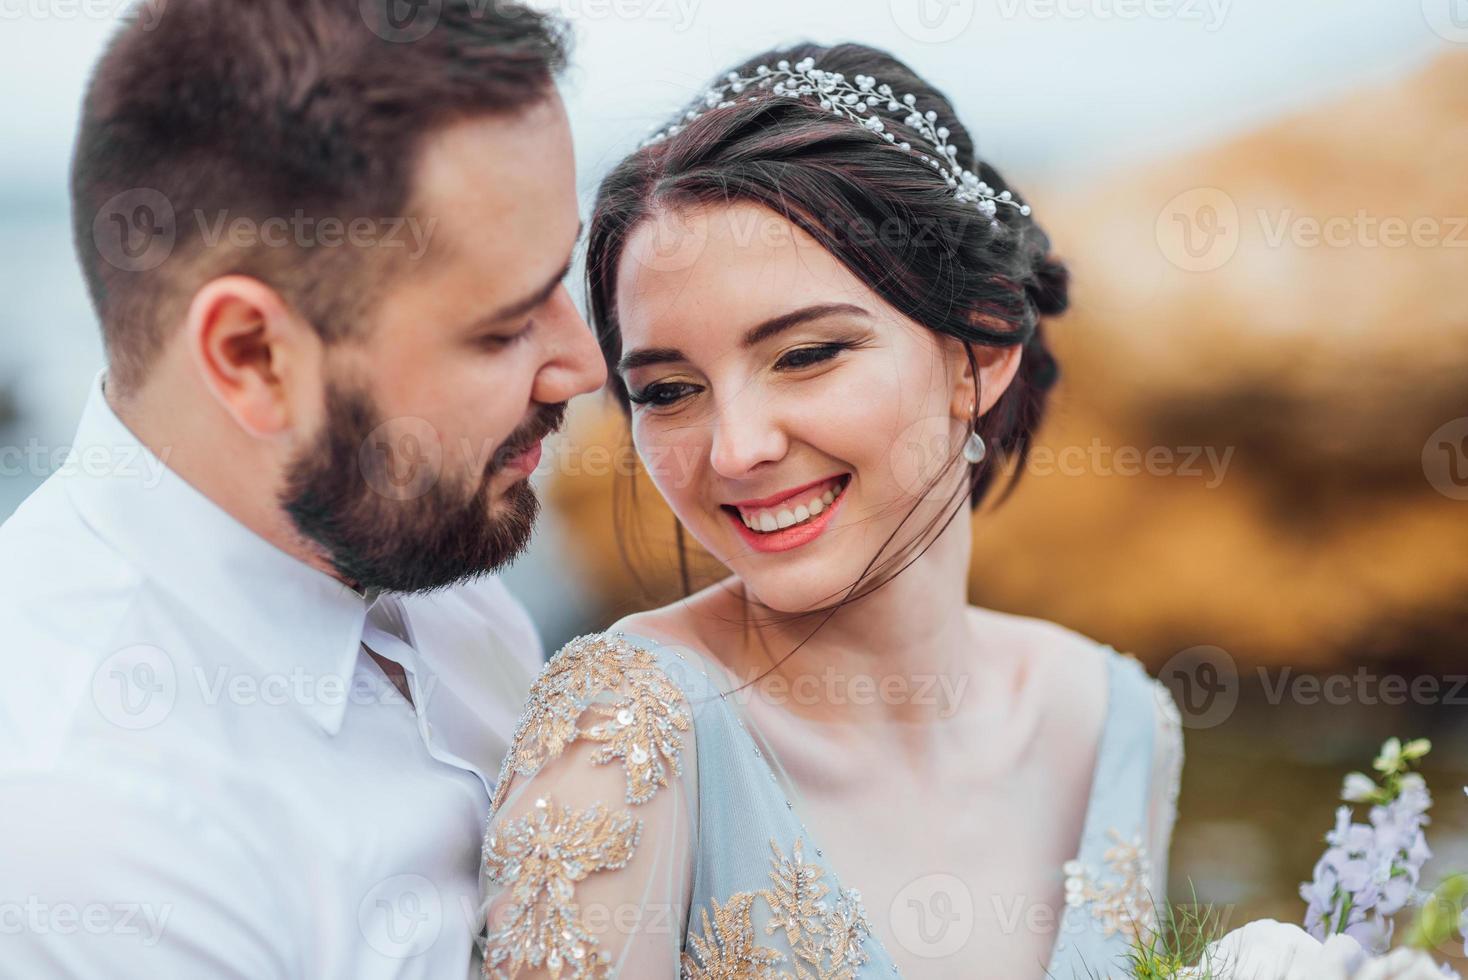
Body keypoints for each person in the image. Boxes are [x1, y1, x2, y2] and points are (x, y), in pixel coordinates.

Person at [481, 42, 1183, 978]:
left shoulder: (1115, 721)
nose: (736, 449)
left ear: (979, 350)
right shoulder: (622, 735)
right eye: (669, 391)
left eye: (806, 355)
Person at [0, 2, 605, 975]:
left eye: (562, 274)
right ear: (252, 356)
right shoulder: (83, 827)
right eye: (502, 328)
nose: (583, 364)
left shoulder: (426, 553)